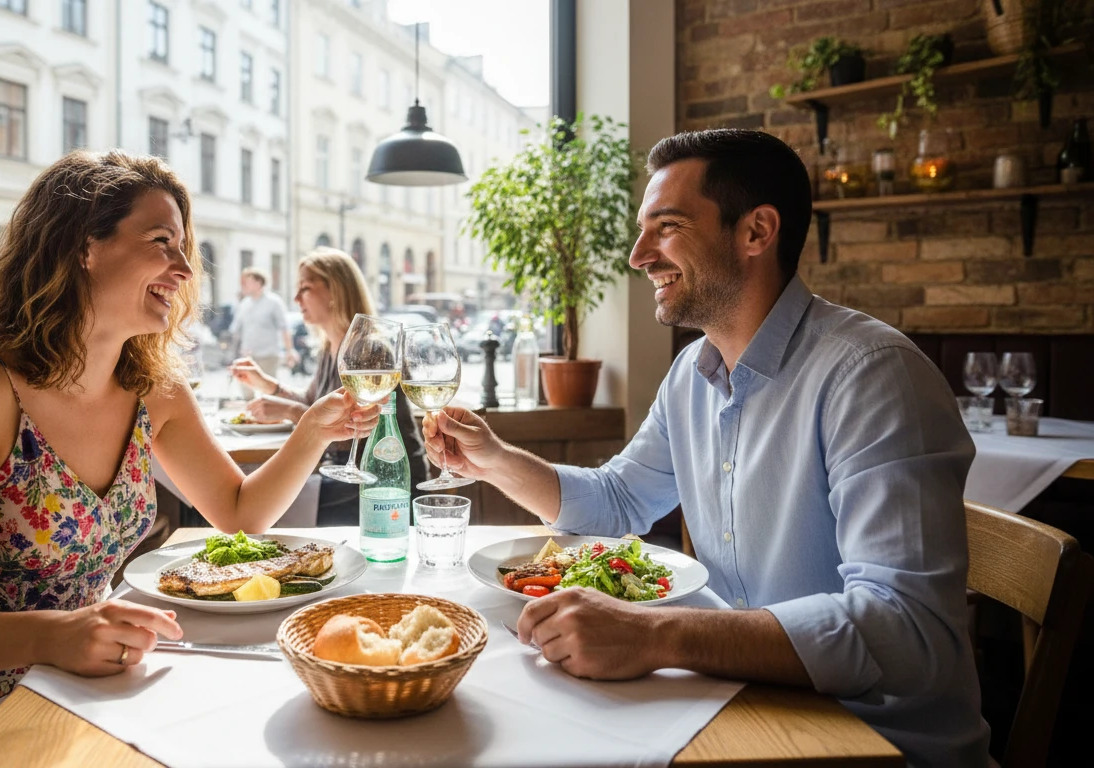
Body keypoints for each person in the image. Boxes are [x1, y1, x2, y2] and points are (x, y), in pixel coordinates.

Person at [422, 129, 988, 767]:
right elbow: (618, 500)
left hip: (872, 743)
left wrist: (658, 633)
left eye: (666, 226)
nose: (639, 256)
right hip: (742, 708)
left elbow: (907, 633)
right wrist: (493, 457)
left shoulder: (872, 375)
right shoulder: (694, 370)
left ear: (755, 232)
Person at [0, 150, 377, 767]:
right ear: (82, 247)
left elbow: (240, 513)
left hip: (82, 692)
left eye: (184, 247)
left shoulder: (155, 388)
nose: (185, 268)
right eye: (162, 241)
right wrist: (55, 636)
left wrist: (312, 430)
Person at [230, 248, 427, 526]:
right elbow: (313, 401)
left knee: (271, 504)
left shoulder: (371, 352)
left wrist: (289, 410)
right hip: (347, 477)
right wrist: (268, 384)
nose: (297, 298)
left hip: (381, 485)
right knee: (266, 494)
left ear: (336, 291)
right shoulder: (330, 347)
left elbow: (354, 430)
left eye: (305, 288)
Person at [229, 267, 297, 399]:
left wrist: (290, 351)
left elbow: (284, 328)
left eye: (247, 282)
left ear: (258, 282)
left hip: (268, 356)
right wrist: (232, 353)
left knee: (268, 394)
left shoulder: (274, 302)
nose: (243, 285)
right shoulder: (244, 304)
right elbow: (236, 330)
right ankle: (249, 418)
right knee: (246, 392)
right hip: (248, 356)